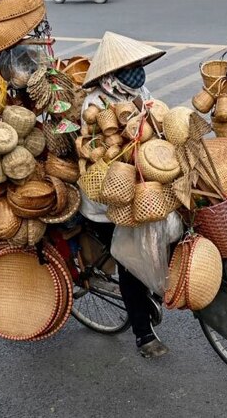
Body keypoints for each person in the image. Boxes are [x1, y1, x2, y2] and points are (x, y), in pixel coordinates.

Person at [79, 32, 175, 358]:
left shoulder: (138, 92)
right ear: (113, 72)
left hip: (140, 186)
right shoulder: (95, 105)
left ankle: (154, 286)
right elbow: (100, 156)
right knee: (131, 262)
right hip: (108, 199)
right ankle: (143, 335)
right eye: (129, 67)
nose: (137, 71)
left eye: (137, 65)